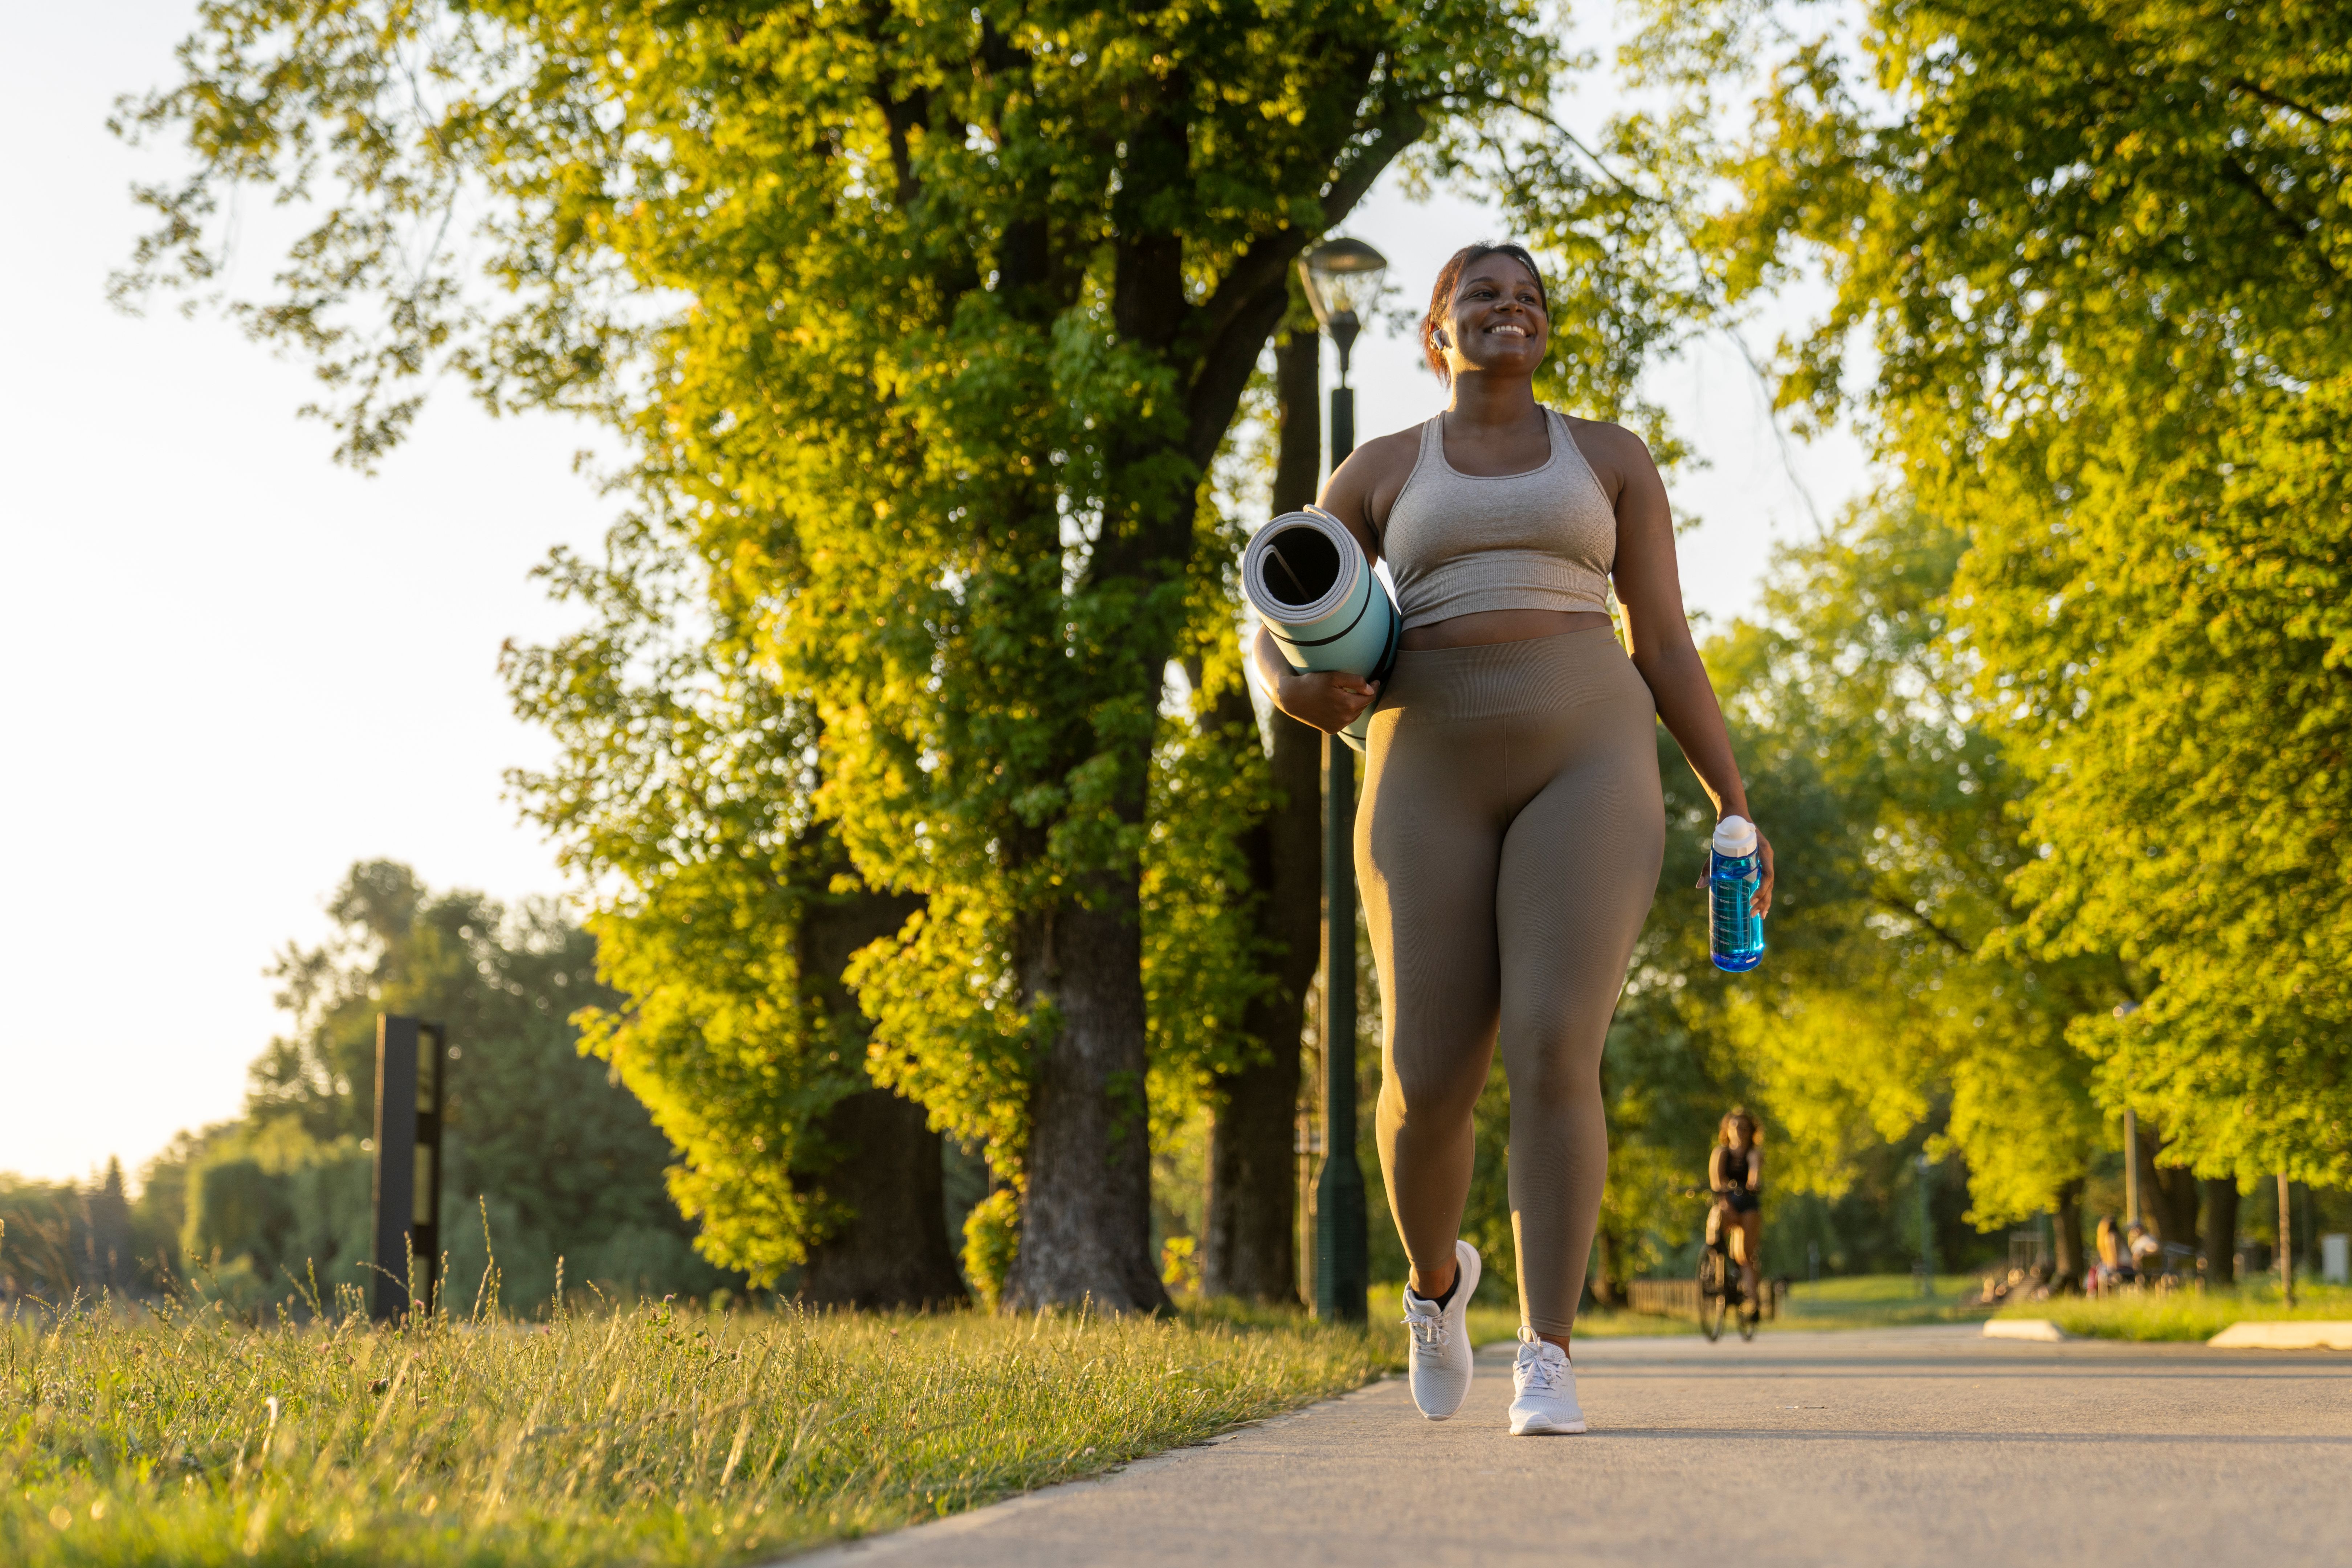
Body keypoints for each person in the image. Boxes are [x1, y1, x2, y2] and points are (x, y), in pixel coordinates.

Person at [1252, 241, 1773, 1436]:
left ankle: (1548, 1350)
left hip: (1587, 754)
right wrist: (1293, 691)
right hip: (1423, 757)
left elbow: (1668, 644)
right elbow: (1282, 608)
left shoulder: (1610, 458)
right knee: (1425, 1076)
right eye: (1481, 295)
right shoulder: (1380, 467)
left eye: (1530, 297)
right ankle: (1437, 1292)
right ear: (1434, 334)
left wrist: (1732, 802)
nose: (1511, 308)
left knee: (1553, 1046)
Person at [1709, 1108, 1764, 1304]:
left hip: (1748, 1205)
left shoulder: (1753, 1154)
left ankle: (1753, 1303)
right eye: (1736, 1127)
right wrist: (1725, 1203)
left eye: (1745, 1128)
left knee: (1745, 1256)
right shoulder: (1721, 1153)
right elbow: (1716, 1181)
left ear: (1751, 1132)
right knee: (1714, 1236)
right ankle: (1714, 1273)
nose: (1740, 1131)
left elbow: (1755, 1169)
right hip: (1727, 1202)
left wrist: (1754, 1182)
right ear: (1728, 1130)